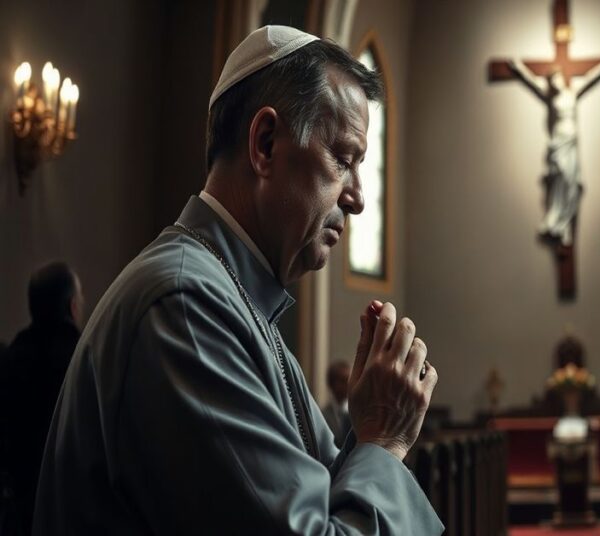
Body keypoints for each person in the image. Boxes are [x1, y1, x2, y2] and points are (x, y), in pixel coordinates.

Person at [33, 26, 441, 535]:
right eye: (344, 158)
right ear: (265, 144)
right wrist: (383, 441)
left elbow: (324, 499)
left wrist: (367, 431)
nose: (357, 197)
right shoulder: (184, 306)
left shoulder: (235, 296)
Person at [0, 262, 82, 534]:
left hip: (19, 513)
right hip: (74, 512)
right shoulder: (83, 361)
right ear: (73, 306)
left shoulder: (11, 359)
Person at [507, 52, 600, 246]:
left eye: (557, 78)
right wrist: (518, 68)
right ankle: (553, 222)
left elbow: (592, 78)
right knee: (560, 182)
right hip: (558, 144)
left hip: (572, 143)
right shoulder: (551, 98)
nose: (555, 82)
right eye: (552, 80)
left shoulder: (572, 93)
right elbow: (531, 82)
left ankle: (564, 225)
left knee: (573, 184)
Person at [322, 360, 352, 449]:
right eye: (343, 380)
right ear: (332, 384)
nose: (348, 384)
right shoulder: (322, 415)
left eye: (350, 380)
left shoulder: (358, 413)